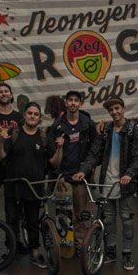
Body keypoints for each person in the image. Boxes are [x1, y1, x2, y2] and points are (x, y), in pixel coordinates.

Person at [74, 97, 138, 271]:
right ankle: (111, 251)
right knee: (109, 220)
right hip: (107, 181)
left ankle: (127, 254)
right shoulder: (106, 130)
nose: (114, 112)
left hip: (125, 184)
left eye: (117, 108)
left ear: (123, 108)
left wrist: (129, 174)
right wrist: (84, 169)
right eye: (111, 110)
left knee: (126, 219)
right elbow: (94, 154)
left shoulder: (133, 130)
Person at [0, 102, 64, 269]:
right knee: (12, 220)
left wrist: (60, 148)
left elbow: (54, 163)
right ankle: (11, 249)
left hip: (35, 188)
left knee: (33, 221)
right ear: (24, 116)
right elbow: (0, 156)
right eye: (30, 113)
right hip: (13, 187)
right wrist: (0, 141)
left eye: (36, 114)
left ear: (39, 118)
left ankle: (34, 251)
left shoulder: (43, 137)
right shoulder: (14, 134)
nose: (32, 116)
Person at [48, 90, 97, 248]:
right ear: (66, 102)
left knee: (80, 214)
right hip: (62, 177)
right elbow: (51, 155)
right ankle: (65, 246)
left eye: (76, 100)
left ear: (81, 103)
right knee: (63, 215)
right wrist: (58, 175)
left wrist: (85, 170)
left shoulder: (87, 123)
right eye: (70, 100)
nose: (73, 103)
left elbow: (93, 151)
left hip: (80, 177)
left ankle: (80, 246)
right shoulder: (57, 125)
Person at [0, 82, 23, 221]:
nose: (4, 93)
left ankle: (12, 237)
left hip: (12, 166)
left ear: (11, 94)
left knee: (12, 204)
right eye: (0, 92)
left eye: (6, 91)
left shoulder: (19, 117)